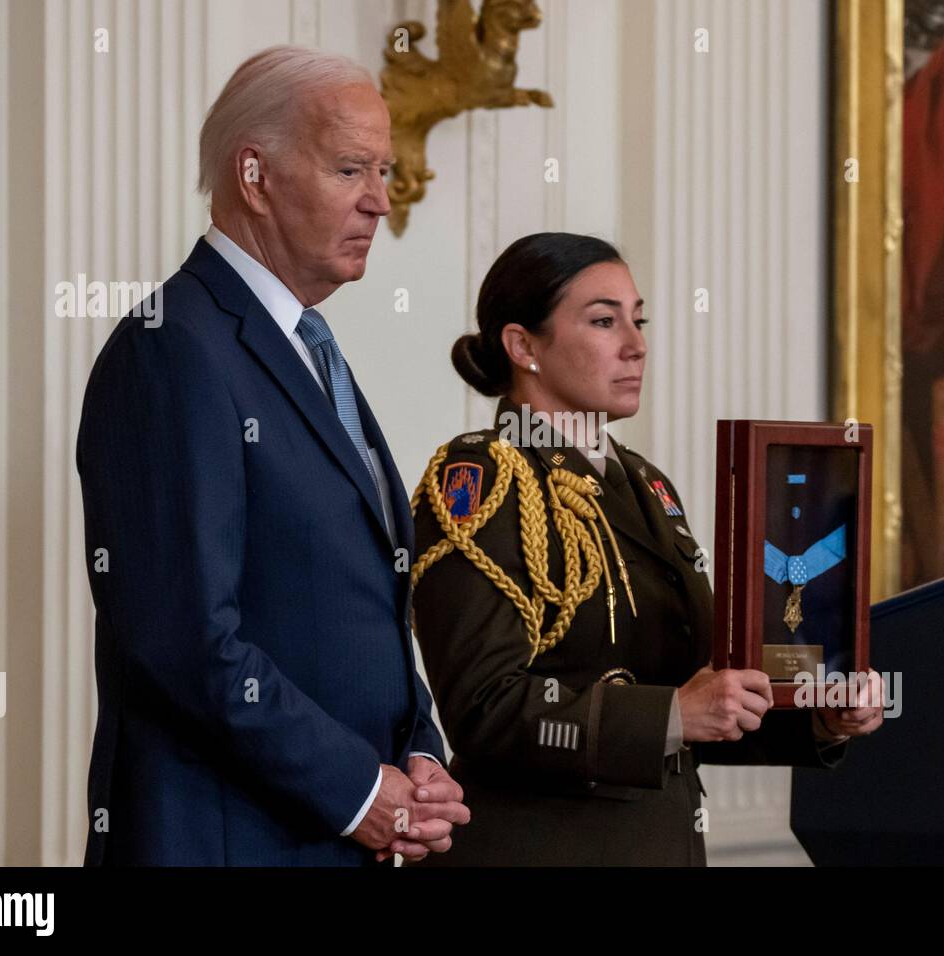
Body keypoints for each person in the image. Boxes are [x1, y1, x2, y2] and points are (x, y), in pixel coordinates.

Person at [76, 46, 467, 866]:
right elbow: (185, 638)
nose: (379, 201)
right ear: (254, 176)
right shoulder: (173, 349)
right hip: (228, 838)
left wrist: (419, 753)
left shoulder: (307, 348)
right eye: (350, 170)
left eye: (386, 172)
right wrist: (358, 790)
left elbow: (358, 611)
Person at [409, 232, 883, 866]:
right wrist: (673, 716)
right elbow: (483, 711)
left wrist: (820, 715)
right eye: (604, 322)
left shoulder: (645, 483)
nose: (637, 346)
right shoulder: (484, 477)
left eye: (639, 321)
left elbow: (701, 696)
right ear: (523, 346)